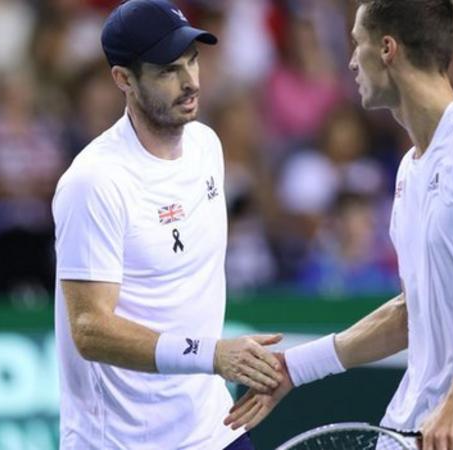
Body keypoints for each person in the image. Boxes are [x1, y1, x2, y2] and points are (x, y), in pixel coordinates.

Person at [225, 1, 453, 450]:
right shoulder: (410, 169)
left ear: (387, 49)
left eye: (357, 43)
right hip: (420, 426)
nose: (350, 60)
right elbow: (413, 313)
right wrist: (296, 367)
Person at [52, 1, 282, 449]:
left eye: (193, 61)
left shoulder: (207, 146)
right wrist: (211, 355)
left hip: (216, 429)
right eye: (167, 70)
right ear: (123, 79)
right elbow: (89, 328)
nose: (190, 81)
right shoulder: (94, 182)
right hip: (121, 441)